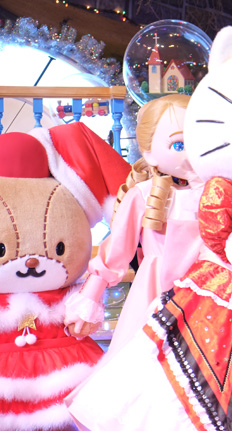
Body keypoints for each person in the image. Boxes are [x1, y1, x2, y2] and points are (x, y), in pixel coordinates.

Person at [64, 94, 204, 357]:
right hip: (157, 290)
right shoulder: (143, 194)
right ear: (149, 153)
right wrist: (89, 298)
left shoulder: (218, 193)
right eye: (179, 144)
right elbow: (116, 250)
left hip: (211, 289)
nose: (193, 153)